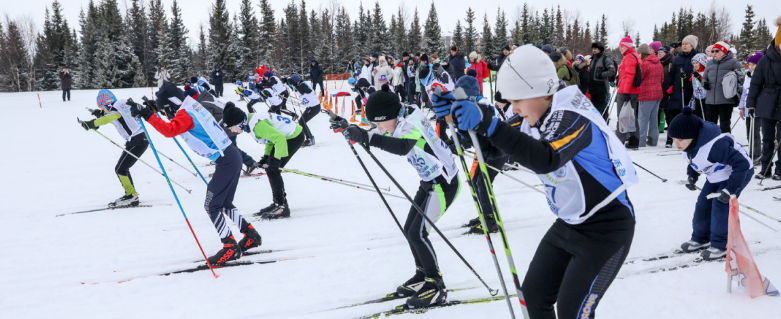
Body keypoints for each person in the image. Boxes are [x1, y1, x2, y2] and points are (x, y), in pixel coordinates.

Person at [451, 44, 637, 319]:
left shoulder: (573, 114)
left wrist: (490, 124)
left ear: (537, 91)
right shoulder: (537, 111)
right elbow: (492, 150)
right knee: (534, 298)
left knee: (572, 312)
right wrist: (460, 111)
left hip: (606, 228)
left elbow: (546, 158)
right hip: (570, 222)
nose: (513, 108)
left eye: (517, 100)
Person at [330, 86, 460, 308]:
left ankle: (435, 283)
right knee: (410, 229)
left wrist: (365, 137)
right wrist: (352, 129)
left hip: (443, 182)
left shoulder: (412, 121)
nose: (379, 128)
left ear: (389, 116)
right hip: (429, 181)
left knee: (418, 233)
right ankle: (422, 275)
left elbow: (402, 147)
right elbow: (379, 133)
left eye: (380, 122)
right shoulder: (399, 116)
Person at [130, 81, 262, 266]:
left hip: (226, 160)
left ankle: (230, 247)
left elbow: (170, 130)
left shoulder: (185, 113)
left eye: (166, 110)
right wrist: (153, 111)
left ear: (172, 104)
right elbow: (174, 118)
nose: (167, 114)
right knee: (223, 203)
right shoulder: (189, 105)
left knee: (212, 205)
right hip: (230, 157)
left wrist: (147, 115)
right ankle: (250, 235)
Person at [670, 107, 754, 260]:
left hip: (739, 172)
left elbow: (742, 165)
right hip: (715, 175)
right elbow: (693, 162)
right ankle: (701, 238)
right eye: (673, 139)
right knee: (703, 204)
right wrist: (692, 177)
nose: (676, 143)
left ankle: (722, 245)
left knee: (720, 205)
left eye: (680, 140)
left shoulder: (715, 146)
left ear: (693, 136)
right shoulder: (689, 146)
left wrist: (730, 189)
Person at [222, 103, 304, 219]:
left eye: (231, 127)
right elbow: (270, 139)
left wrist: (276, 159)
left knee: (272, 170)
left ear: (239, 123)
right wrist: (266, 157)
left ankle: (281, 206)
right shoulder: (251, 121)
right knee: (270, 168)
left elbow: (279, 138)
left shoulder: (256, 126)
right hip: (285, 137)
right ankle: (278, 203)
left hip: (293, 137)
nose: (232, 130)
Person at [80, 90, 149, 207]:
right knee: (121, 168)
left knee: (121, 169)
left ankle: (132, 196)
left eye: (103, 107)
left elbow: (107, 118)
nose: (104, 110)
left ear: (108, 103)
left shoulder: (116, 110)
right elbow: (111, 116)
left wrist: (91, 123)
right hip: (137, 140)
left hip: (137, 141)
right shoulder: (120, 105)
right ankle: (131, 194)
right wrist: (99, 113)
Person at [747, 18, 781, 180]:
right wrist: (751, 104)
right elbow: (755, 83)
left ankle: (780, 170)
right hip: (767, 102)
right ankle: (765, 168)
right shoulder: (765, 60)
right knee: (767, 137)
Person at [664, 35, 700, 147]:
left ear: (692, 46)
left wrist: (688, 77)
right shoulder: (677, 58)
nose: (684, 46)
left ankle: (687, 138)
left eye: (686, 44)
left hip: (689, 90)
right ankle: (670, 138)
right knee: (672, 114)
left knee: (687, 115)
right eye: (683, 44)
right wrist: (668, 86)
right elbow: (671, 74)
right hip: (677, 90)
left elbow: (698, 72)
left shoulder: (697, 57)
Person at [702, 41, 743, 133]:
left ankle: (726, 144)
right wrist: (704, 83)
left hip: (726, 99)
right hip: (710, 99)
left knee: (725, 125)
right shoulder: (709, 63)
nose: (714, 53)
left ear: (724, 51)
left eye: (717, 51)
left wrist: (736, 89)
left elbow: (742, 77)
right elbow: (704, 77)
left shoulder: (733, 62)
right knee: (710, 125)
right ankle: (711, 145)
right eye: (712, 51)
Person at [616, 35, 642, 149]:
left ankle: (618, 142)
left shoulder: (629, 57)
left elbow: (629, 76)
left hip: (627, 91)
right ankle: (634, 140)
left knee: (622, 116)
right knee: (631, 116)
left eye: (622, 46)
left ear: (627, 47)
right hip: (633, 91)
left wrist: (625, 92)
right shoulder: (634, 55)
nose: (620, 49)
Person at [738, 52, 764, 163]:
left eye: (754, 64)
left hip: (758, 108)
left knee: (755, 131)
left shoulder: (762, 75)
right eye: (750, 64)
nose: (751, 66)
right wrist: (742, 107)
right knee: (750, 131)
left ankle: (757, 154)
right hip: (748, 107)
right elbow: (744, 92)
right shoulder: (748, 76)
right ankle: (752, 152)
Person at [637, 43, 665, 147]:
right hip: (658, 94)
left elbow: (640, 78)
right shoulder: (659, 63)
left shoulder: (645, 64)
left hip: (646, 94)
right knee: (654, 119)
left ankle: (641, 141)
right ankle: (653, 141)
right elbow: (662, 79)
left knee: (643, 119)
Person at [287, 74, 321, 147]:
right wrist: (287, 82)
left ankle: (310, 139)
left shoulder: (303, 84)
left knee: (302, 122)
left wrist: (295, 85)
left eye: (293, 82)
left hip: (315, 107)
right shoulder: (299, 85)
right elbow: (294, 88)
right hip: (310, 107)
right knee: (301, 122)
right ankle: (309, 138)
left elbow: (305, 90)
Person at [588, 42, 617, 120]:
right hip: (593, 88)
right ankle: (596, 123)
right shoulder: (592, 59)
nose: (594, 50)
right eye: (593, 49)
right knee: (594, 108)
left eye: (596, 49)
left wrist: (601, 74)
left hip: (602, 88)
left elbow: (612, 70)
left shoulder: (606, 59)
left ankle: (604, 122)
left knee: (602, 107)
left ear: (600, 49)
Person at [658, 45, 674, 133]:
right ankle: (658, 129)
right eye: (658, 52)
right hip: (659, 89)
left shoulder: (671, 61)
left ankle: (671, 132)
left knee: (668, 111)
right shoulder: (659, 62)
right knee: (660, 110)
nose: (659, 54)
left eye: (661, 52)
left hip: (668, 90)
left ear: (666, 53)